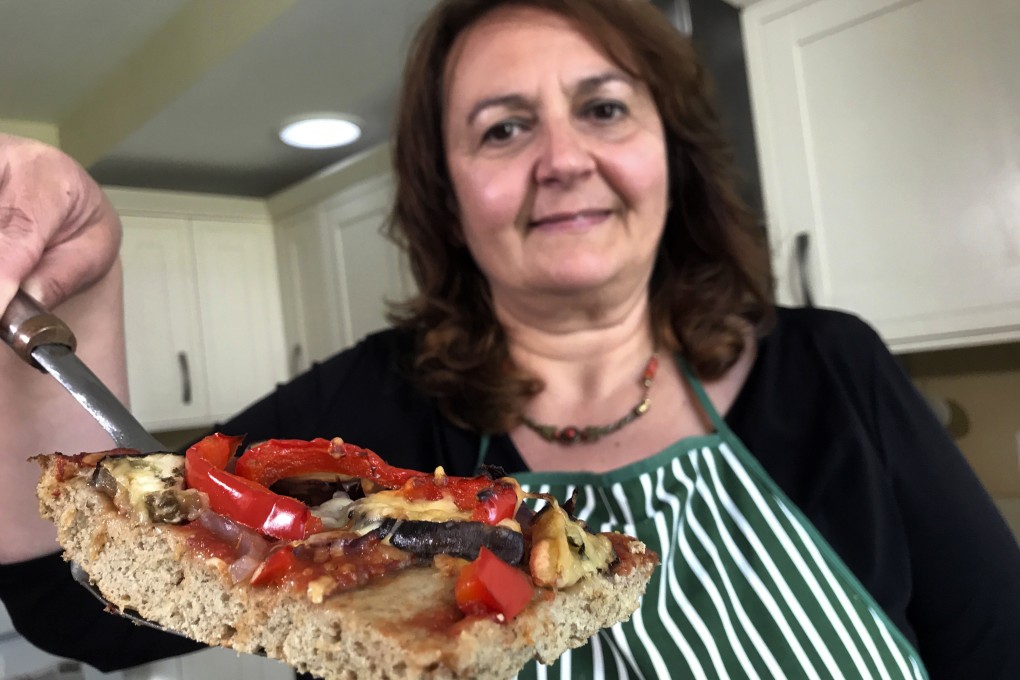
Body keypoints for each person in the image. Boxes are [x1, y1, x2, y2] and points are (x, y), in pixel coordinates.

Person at [1, 0, 1018, 678]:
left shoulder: (835, 368)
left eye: (604, 108)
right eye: (502, 128)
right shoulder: (362, 413)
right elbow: (62, 593)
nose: (563, 158)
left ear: (671, 152)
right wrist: (79, 287)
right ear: (447, 194)